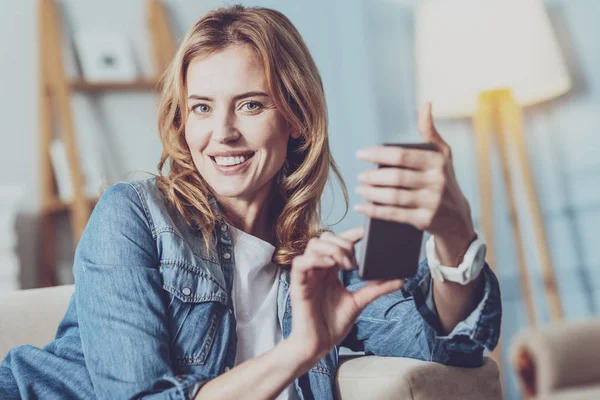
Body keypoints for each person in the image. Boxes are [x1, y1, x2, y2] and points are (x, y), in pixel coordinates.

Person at [0, 5, 501, 400]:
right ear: (183, 122)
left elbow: (451, 343)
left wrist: (454, 232)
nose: (223, 134)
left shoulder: (318, 264)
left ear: (296, 117)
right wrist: (299, 350)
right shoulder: (133, 216)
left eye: (251, 104)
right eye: (202, 107)